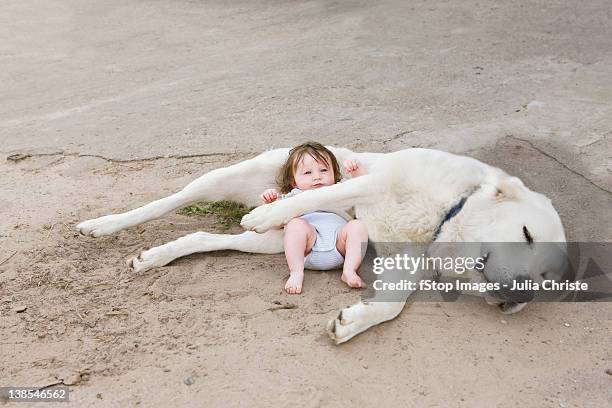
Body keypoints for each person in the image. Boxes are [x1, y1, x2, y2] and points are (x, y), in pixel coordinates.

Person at [260, 142, 368, 294]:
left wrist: (356, 171)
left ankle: (349, 270)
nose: (317, 177)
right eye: (307, 173)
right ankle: (296, 272)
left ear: (335, 174)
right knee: (295, 225)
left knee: (357, 226)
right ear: (294, 181)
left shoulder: (340, 190)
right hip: (308, 248)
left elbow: (364, 188)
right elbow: (276, 222)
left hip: (340, 245)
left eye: (324, 170)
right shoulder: (294, 197)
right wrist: (271, 203)